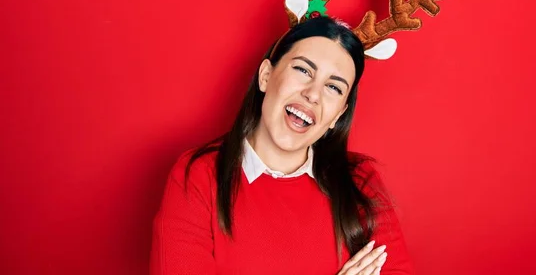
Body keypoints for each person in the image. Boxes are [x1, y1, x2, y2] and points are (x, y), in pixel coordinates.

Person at [150, 16, 414, 274]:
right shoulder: (198, 176)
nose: (312, 94)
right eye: (303, 70)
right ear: (266, 75)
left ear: (338, 115)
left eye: (333, 87)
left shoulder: (360, 181)